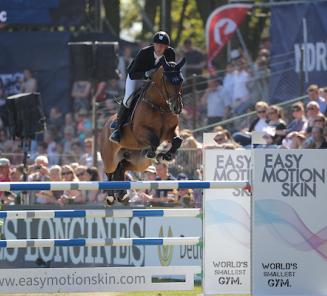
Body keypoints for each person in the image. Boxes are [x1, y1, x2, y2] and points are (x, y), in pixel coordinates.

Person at [110, 31, 176, 143]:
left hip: (156, 81)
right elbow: (133, 72)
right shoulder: (144, 53)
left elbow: (171, 71)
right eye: (158, 45)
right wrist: (146, 74)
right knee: (128, 99)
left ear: (166, 47)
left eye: (163, 46)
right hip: (136, 77)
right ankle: (118, 128)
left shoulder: (170, 53)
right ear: (153, 44)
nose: (160, 48)